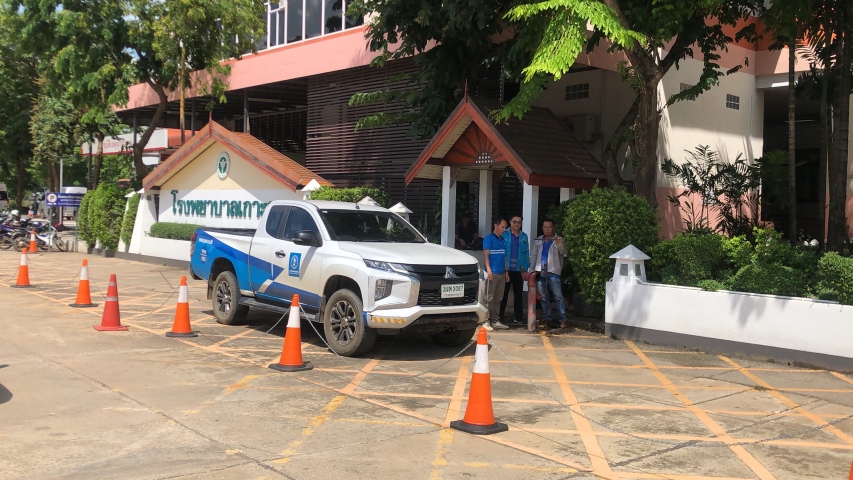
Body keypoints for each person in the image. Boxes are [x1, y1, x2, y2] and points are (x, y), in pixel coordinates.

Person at [530, 219, 567, 329]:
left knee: (558, 296)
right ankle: (547, 317)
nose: (547, 229)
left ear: (553, 228)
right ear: (542, 228)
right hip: (540, 272)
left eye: (549, 227)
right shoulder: (539, 240)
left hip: (553, 272)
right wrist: (532, 271)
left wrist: (560, 245)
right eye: (545, 227)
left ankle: (562, 318)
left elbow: (564, 252)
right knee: (543, 297)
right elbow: (534, 256)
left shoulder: (559, 239)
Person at [499, 215, 530, 325]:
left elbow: (526, 253)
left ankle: (518, 317)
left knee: (518, 294)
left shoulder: (524, 236)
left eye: (519, 222)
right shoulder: (504, 234)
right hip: (506, 269)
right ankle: (500, 316)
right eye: (515, 222)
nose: (517, 224)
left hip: (519, 269)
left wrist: (525, 268)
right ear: (510, 221)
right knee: (504, 293)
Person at [482, 216, 510, 331]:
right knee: (489, 298)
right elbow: (486, 256)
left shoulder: (502, 240)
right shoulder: (488, 239)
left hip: (501, 273)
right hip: (492, 273)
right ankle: (485, 321)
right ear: (496, 225)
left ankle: (495, 320)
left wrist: (506, 272)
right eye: (502, 227)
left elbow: (504, 257)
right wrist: (488, 270)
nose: (504, 229)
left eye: (505, 227)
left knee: (498, 298)